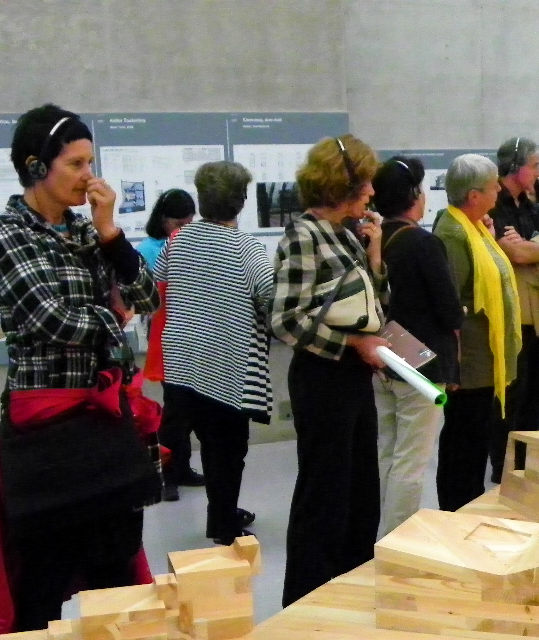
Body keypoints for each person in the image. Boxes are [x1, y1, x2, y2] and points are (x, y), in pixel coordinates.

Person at [0, 103, 161, 639]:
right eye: (76, 164)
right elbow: (50, 319)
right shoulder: (7, 233)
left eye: (90, 163)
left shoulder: (86, 231)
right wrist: (112, 317)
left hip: (103, 425)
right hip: (47, 436)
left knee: (116, 579)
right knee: (41, 587)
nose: (89, 177)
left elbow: (147, 298)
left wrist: (110, 235)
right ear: (36, 167)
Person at [270, 135, 388, 606]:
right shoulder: (304, 235)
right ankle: (306, 604)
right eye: (366, 183)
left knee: (361, 496)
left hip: (352, 378)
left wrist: (375, 255)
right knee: (325, 498)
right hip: (322, 380)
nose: (372, 192)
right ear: (342, 183)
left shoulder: (345, 233)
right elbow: (285, 320)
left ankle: (349, 597)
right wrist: (353, 344)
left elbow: (371, 306)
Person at [158, 161, 273, 545]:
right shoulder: (246, 248)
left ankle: (221, 514)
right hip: (225, 365)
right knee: (228, 450)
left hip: (181, 363)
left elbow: (161, 278)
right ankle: (224, 525)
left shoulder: (178, 240)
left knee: (206, 444)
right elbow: (271, 298)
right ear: (240, 201)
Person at [371, 155, 465, 536]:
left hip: (384, 354)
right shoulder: (424, 244)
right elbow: (450, 311)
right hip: (423, 365)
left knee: (389, 453)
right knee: (413, 461)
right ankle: (398, 541)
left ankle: (383, 533)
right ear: (413, 195)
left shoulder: (371, 238)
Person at [433, 154, 520, 511]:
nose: (499, 189)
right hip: (468, 363)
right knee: (463, 442)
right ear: (473, 196)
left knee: (475, 440)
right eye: (492, 186)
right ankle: (457, 510)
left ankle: (469, 504)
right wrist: (453, 367)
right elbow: (450, 304)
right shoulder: (453, 234)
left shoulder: (475, 227)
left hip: (483, 360)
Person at [488, 136, 539, 482]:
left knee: (536, 395)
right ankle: (503, 469)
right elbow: (516, 254)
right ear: (515, 167)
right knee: (511, 397)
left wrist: (536, 248)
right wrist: (536, 249)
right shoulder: (495, 205)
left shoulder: (532, 207)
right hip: (510, 318)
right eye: (534, 165)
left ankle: (526, 464)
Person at [137, 188, 202, 501]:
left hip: (191, 332)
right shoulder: (149, 250)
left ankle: (182, 467)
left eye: (190, 222)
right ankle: (167, 474)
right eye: (179, 223)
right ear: (163, 220)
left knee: (188, 408)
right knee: (175, 409)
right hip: (167, 333)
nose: (184, 228)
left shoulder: (190, 242)